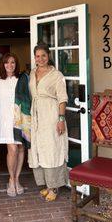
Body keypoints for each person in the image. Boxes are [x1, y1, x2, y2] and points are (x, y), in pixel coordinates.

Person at [28, 43, 68, 202]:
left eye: (43, 55)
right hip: (36, 116)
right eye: (37, 56)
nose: (40, 59)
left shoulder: (56, 75)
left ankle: (55, 187)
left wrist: (61, 119)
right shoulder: (32, 73)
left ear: (48, 56)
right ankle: (46, 184)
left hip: (51, 115)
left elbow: (62, 98)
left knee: (52, 149)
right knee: (39, 149)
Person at [0, 53, 31, 197]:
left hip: (20, 119)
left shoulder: (22, 80)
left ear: (16, 64)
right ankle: (11, 179)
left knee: (21, 148)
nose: (10, 65)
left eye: (13, 62)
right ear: (2, 65)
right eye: (7, 63)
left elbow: (30, 97)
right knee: (12, 149)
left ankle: (17, 179)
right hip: (5, 118)